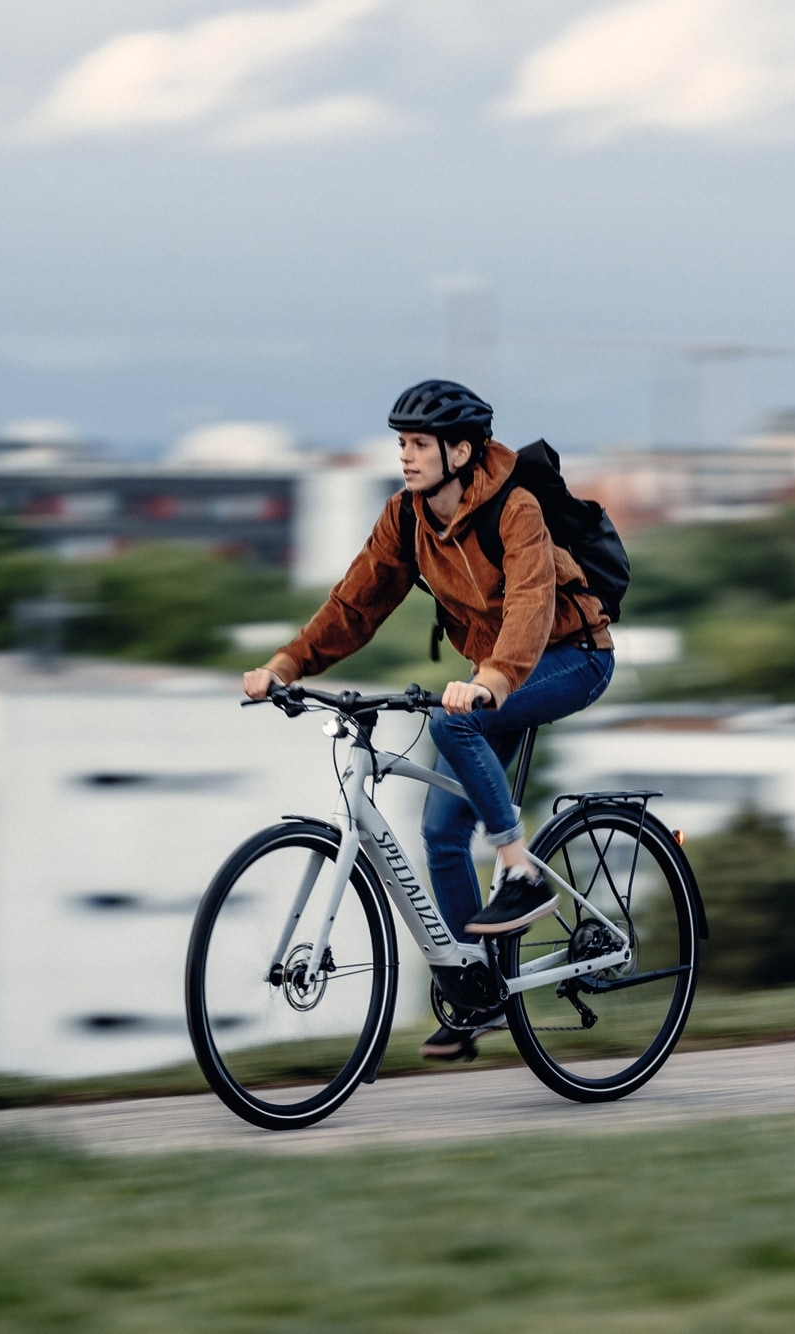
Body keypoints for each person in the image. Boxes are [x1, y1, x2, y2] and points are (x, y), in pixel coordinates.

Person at [242, 379, 615, 1060]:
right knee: (441, 830)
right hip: (488, 675)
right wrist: (288, 665)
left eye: (419, 445)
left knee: (453, 726)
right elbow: (356, 604)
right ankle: (478, 990)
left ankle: (521, 870)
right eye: (402, 444)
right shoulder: (407, 516)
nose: (406, 457)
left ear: (461, 450)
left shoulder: (517, 508)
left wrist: (492, 681)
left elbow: (533, 604)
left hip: (570, 657)